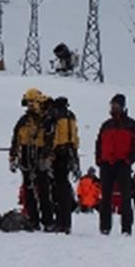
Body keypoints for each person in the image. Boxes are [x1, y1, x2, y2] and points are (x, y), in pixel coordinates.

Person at [94, 93, 135, 236]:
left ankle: (126, 228)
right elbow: (98, 143)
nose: (113, 107)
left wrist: (128, 160)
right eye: (112, 105)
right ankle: (104, 228)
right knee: (105, 198)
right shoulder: (106, 125)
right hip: (106, 165)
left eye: (115, 105)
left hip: (123, 165)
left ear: (122, 106)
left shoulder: (131, 125)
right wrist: (99, 159)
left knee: (125, 199)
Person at [10, 88, 52, 229]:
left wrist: (47, 156)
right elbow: (15, 139)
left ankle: (47, 221)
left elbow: (50, 140)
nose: (30, 106)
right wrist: (13, 157)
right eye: (28, 103)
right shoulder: (23, 121)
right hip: (26, 156)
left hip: (41, 156)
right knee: (28, 190)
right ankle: (33, 219)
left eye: (32, 103)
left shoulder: (47, 120)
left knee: (44, 190)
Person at [42, 95, 80, 233]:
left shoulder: (54, 116)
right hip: (69, 154)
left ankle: (60, 222)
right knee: (64, 187)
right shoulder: (71, 116)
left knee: (57, 188)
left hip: (57, 154)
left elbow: (50, 136)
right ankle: (66, 222)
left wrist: (47, 155)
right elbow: (75, 138)